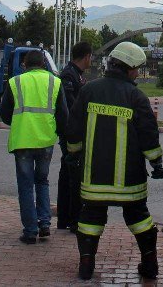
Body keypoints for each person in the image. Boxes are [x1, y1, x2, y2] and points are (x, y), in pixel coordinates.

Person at [66, 42, 163, 281]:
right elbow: (148, 135)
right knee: (139, 218)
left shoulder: (89, 91)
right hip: (129, 181)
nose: (137, 74)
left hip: (94, 177)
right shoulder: (136, 97)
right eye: (137, 69)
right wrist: (156, 163)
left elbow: (74, 128)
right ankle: (150, 264)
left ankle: (86, 266)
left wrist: (74, 154)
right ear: (130, 68)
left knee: (90, 218)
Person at [0, 49, 69, 244]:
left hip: (23, 140)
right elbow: (63, 116)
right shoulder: (55, 82)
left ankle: (30, 231)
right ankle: (45, 224)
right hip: (46, 140)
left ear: (25, 65)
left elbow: (4, 113)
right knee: (43, 181)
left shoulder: (16, 82)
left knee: (25, 185)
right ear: (44, 64)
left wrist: (20, 121)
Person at [57, 41, 92, 230]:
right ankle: (70, 220)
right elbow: (71, 107)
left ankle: (67, 219)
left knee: (69, 174)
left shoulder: (77, 75)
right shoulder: (68, 76)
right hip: (70, 133)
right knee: (71, 177)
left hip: (75, 132)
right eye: (90, 57)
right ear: (86, 56)